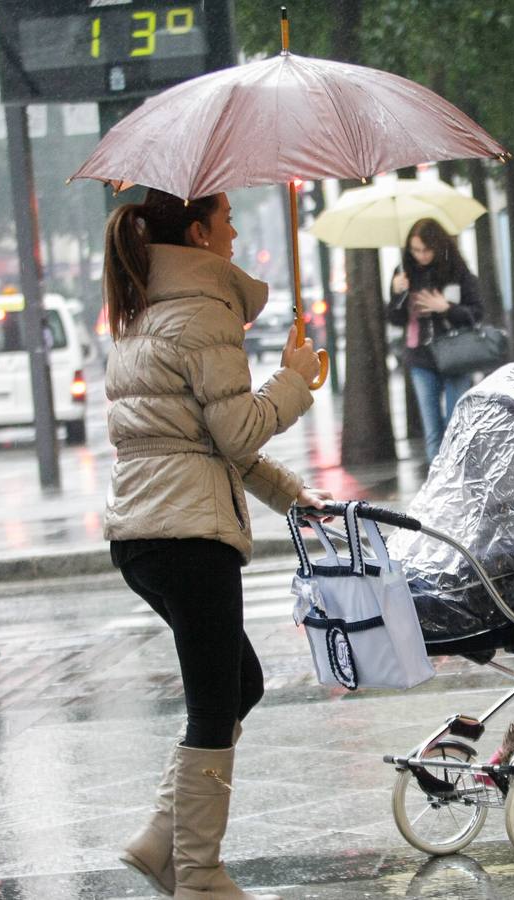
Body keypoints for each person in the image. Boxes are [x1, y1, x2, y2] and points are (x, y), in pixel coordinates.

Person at [103, 188, 326, 900]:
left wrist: (291, 496)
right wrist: (294, 381)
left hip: (145, 534)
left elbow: (197, 440)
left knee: (239, 683)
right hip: (187, 533)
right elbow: (238, 431)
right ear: (198, 233)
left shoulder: (147, 309)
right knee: (212, 701)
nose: (233, 233)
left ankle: (159, 840)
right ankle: (197, 874)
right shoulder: (204, 312)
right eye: (226, 221)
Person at [387, 217, 485, 463]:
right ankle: (439, 488)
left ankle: (457, 476)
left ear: (438, 245)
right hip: (420, 357)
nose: (420, 255)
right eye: (415, 250)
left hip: (456, 355)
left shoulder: (458, 272)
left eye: (426, 249)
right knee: (433, 431)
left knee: (455, 422)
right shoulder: (403, 273)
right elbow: (394, 319)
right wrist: (397, 293)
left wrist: (446, 307)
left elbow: (476, 313)